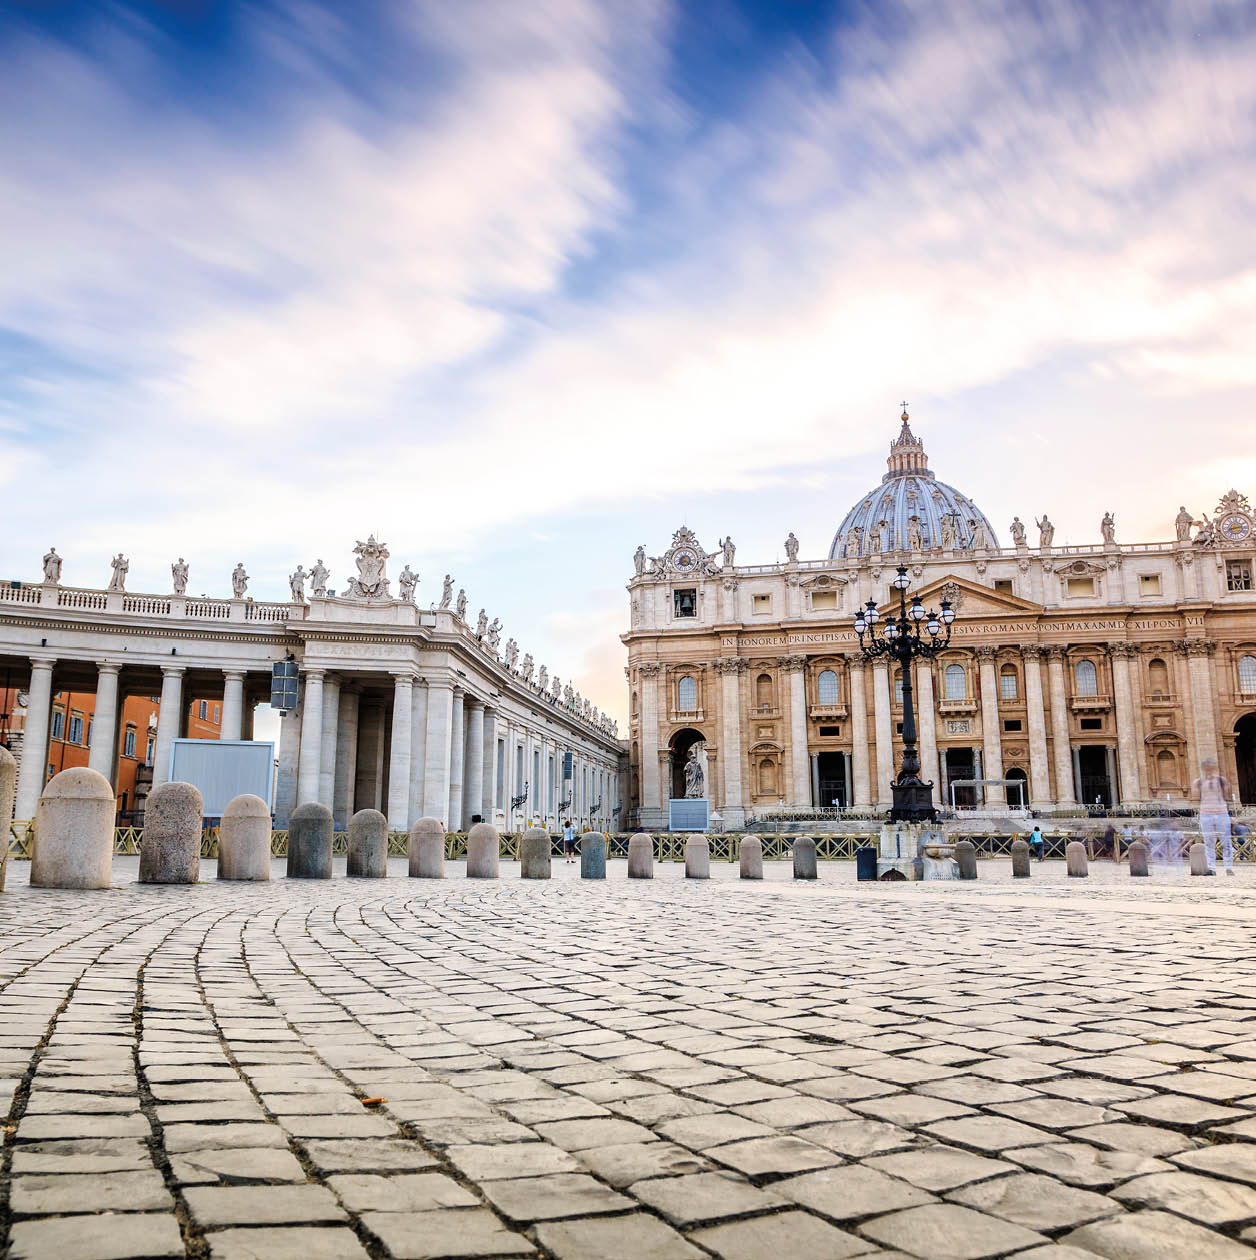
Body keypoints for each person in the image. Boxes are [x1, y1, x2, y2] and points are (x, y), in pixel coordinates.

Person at [1193, 758, 1234, 875]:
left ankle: (1228, 867)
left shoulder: (1222, 781)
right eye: (1207, 768)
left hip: (1221, 813)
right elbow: (1196, 798)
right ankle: (1211, 868)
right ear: (1203, 769)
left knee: (1226, 841)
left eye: (1211, 768)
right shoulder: (1198, 782)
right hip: (1206, 814)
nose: (1209, 771)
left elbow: (1226, 795)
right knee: (1208, 842)